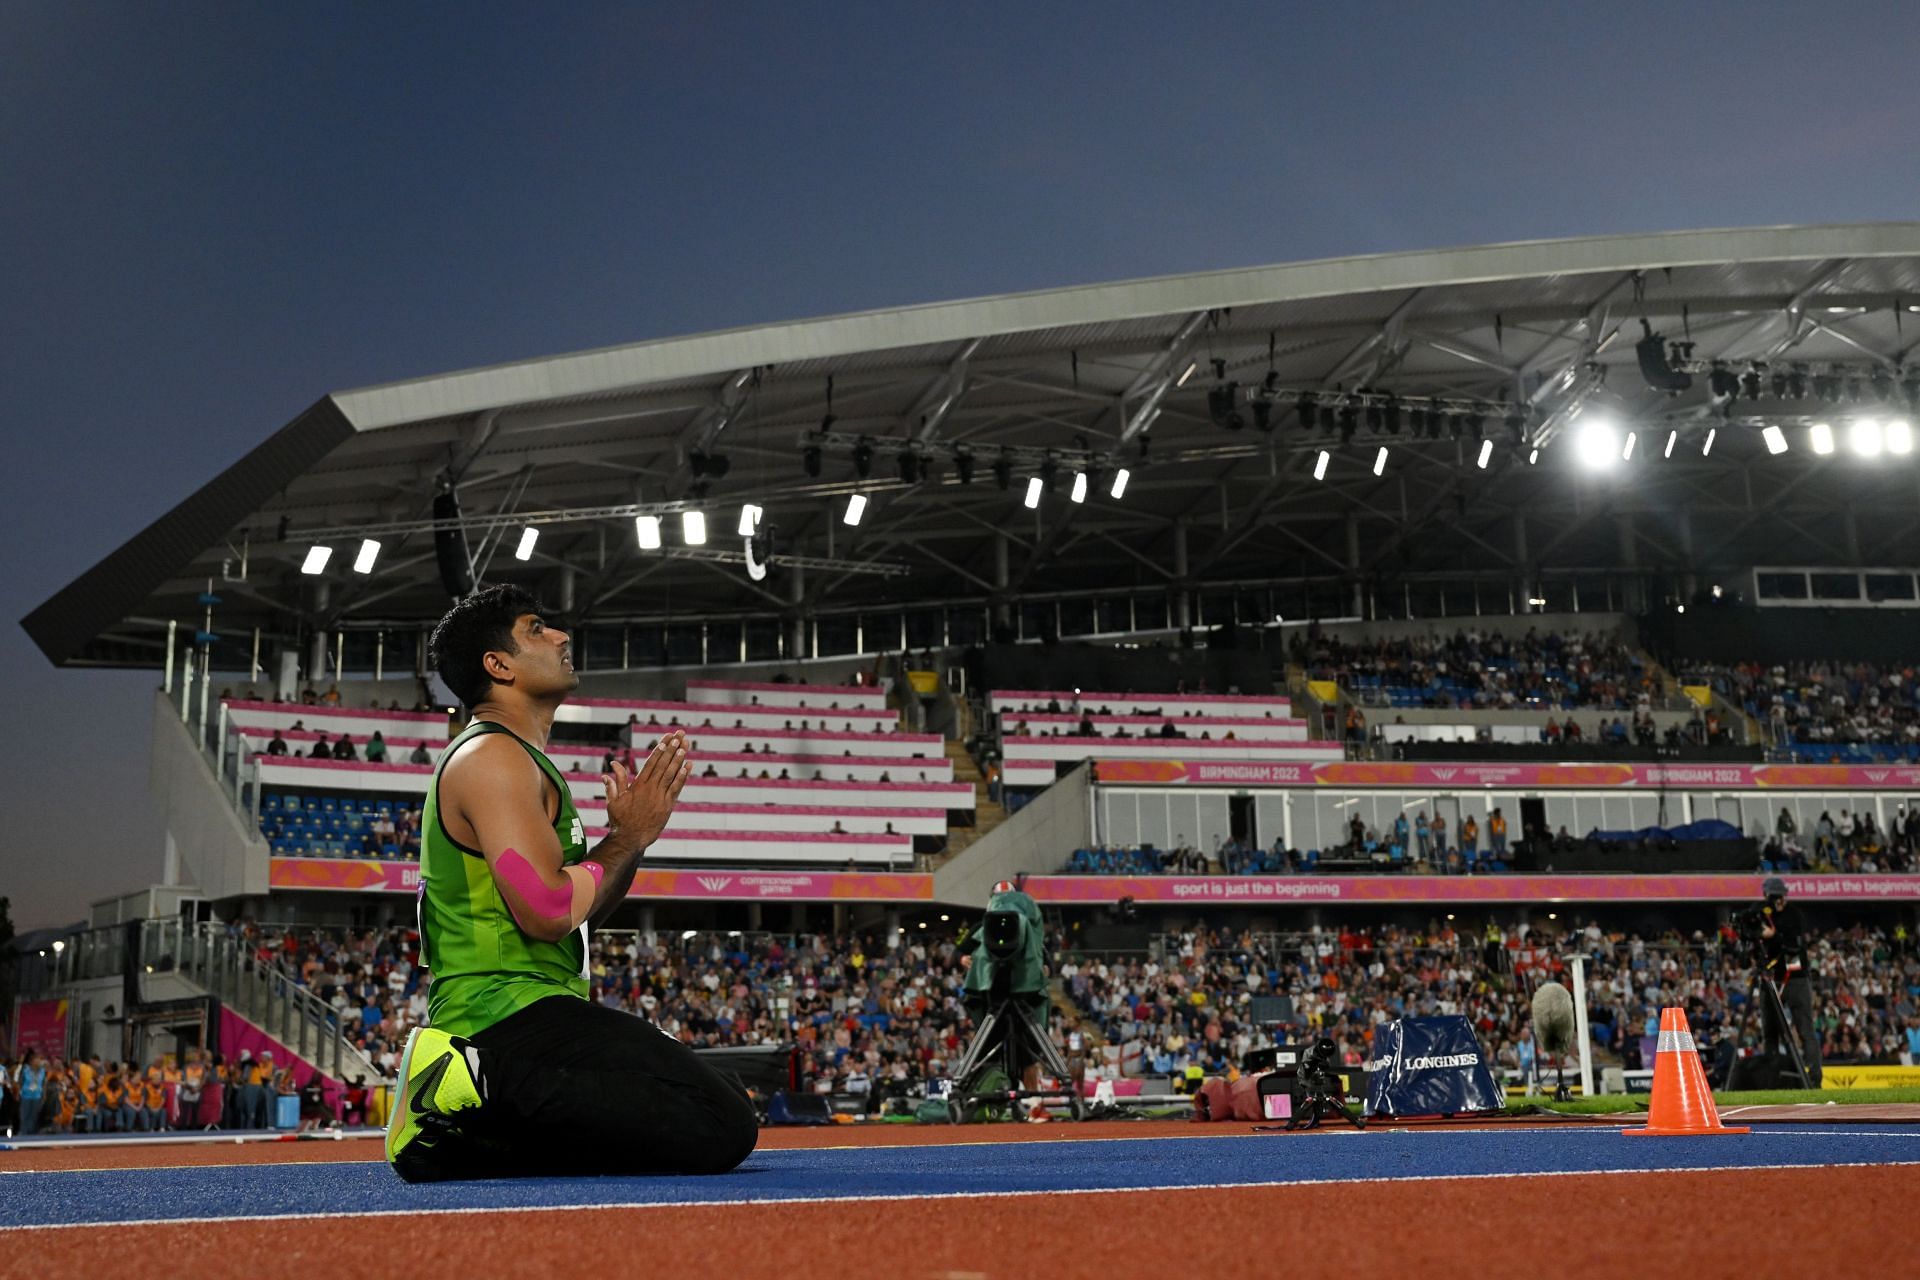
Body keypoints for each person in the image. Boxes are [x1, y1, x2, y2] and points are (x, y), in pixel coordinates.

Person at [388, 584, 756, 1183]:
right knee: (719, 1121)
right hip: (501, 1013)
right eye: (537, 629)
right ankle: (464, 1078)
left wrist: (628, 842)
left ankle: (458, 1132)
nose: (561, 636)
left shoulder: (515, 760)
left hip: (530, 1006)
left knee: (711, 1100)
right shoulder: (492, 759)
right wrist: (626, 838)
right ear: (497, 665)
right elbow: (548, 908)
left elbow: (572, 917)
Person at [1754, 876, 1821, 1085]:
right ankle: (1773, 1079)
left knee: (1804, 1029)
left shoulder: (1792, 915)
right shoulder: (1764, 915)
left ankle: (1814, 1078)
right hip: (1773, 977)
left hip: (1794, 978)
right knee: (1771, 1031)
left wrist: (1770, 935)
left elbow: (1791, 942)